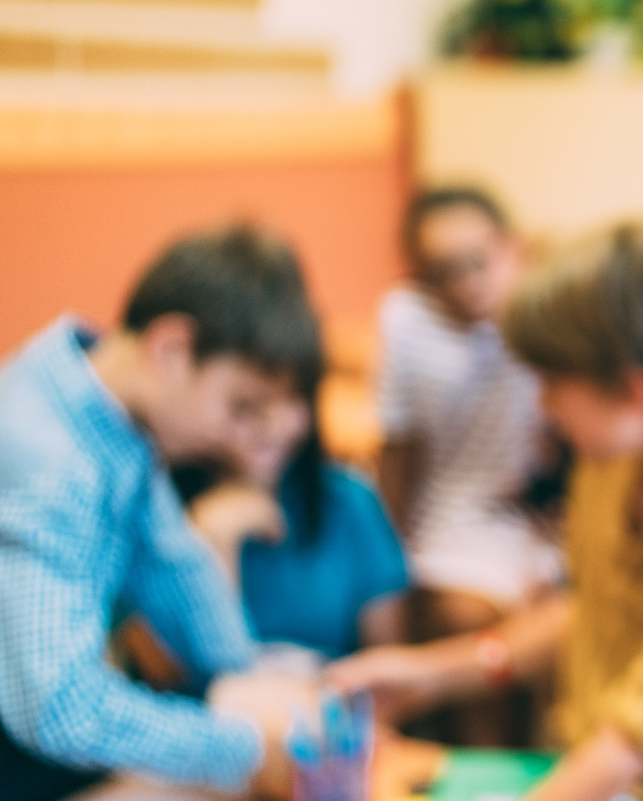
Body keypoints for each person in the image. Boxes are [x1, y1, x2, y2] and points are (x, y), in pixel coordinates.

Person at [330, 217, 643, 801]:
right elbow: (592, 606)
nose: (544, 403)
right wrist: (434, 673)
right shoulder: (616, 458)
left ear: (638, 390)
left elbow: (632, 742)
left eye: (553, 382)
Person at [0, 225, 325, 801]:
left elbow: (174, 565)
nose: (238, 437)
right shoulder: (48, 459)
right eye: (239, 407)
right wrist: (247, 745)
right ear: (170, 349)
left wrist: (252, 681)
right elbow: (57, 710)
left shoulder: (103, 399)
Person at [377, 186, 562, 644]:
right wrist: (388, 560)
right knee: (466, 617)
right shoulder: (408, 322)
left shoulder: (548, 312)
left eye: (479, 261)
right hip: (455, 515)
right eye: (443, 272)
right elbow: (399, 450)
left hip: (541, 514)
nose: (467, 282)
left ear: (510, 248)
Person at [176, 355, 410, 662]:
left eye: (291, 399)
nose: (272, 426)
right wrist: (217, 538)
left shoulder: (349, 501)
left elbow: (389, 668)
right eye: (246, 406)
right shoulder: (169, 511)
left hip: (331, 701)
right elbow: (198, 668)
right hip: (215, 704)